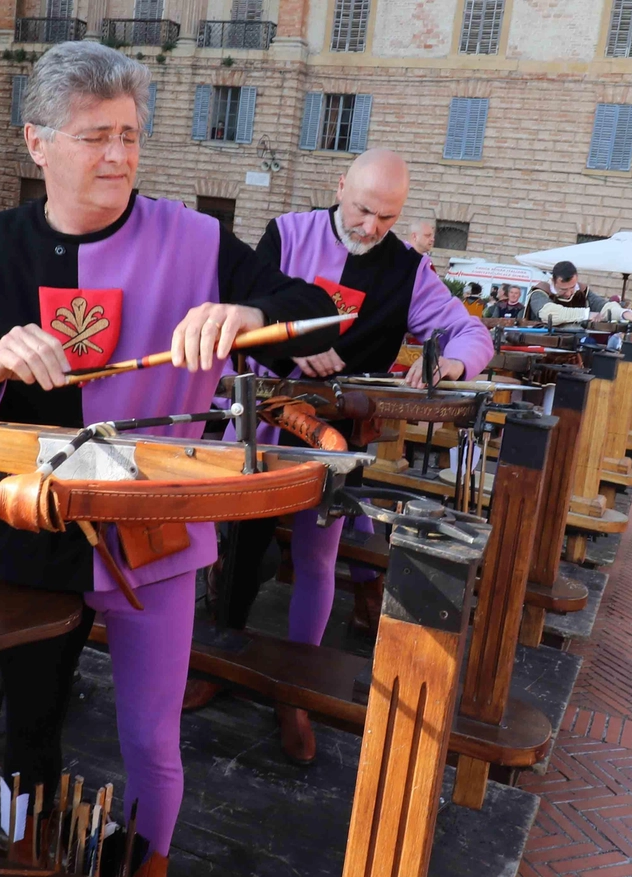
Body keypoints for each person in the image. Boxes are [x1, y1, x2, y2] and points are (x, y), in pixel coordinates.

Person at [0, 43, 337, 872]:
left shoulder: (196, 237)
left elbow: (312, 312)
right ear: (37, 141)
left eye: (129, 135)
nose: (120, 156)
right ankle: (27, 853)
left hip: (155, 535)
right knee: (24, 726)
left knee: (150, 737)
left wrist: (245, 310)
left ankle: (149, 860)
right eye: (96, 136)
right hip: (35, 520)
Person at [215, 148, 494, 764]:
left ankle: (298, 691)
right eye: (363, 209)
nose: (370, 228)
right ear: (339, 187)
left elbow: (474, 334)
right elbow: (241, 315)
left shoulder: (409, 270)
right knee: (232, 542)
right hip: (263, 417)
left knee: (318, 558)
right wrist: (290, 341)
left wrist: (447, 361)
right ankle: (214, 655)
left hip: (338, 434)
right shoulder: (288, 234)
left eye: (386, 218)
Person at [522, 261, 632, 326]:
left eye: (572, 288)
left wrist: (623, 313)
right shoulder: (540, 292)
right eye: (563, 290)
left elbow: (604, 306)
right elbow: (550, 314)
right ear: (553, 281)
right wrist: (586, 314)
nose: (568, 293)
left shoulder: (582, 291)